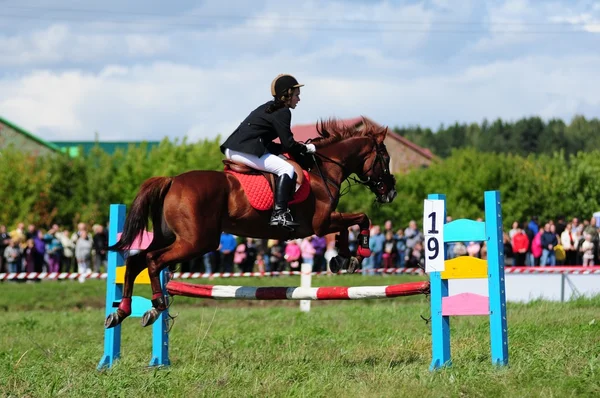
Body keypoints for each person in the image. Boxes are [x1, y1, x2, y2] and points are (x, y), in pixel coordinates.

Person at [220, 74, 316, 229]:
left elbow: (271, 142)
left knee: (280, 161)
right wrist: (306, 148)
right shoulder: (283, 111)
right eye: (297, 95)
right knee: (286, 168)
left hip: (236, 148)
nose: (299, 99)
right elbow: (289, 144)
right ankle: (280, 214)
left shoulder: (269, 107)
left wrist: (282, 150)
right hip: (245, 151)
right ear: (288, 94)